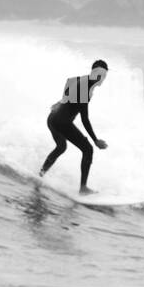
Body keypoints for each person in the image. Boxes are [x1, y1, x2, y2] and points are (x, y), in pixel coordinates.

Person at [40, 59, 109, 194]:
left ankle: (41, 173)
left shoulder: (80, 80)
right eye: (100, 75)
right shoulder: (86, 87)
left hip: (52, 118)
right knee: (88, 149)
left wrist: (61, 102)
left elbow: (69, 83)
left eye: (104, 75)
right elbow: (85, 119)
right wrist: (95, 140)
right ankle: (83, 188)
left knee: (61, 147)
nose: (102, 78)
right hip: (62, 122)